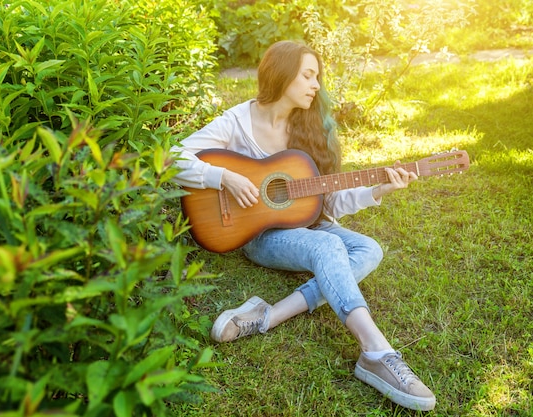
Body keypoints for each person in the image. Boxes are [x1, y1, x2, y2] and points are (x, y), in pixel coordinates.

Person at [170, 40, 436, 412]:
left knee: (369, 249)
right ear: (281, 75)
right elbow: (171, 155)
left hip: (305, 226)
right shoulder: (237, 122)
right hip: (256, 234)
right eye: (308, 76)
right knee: (328, 249)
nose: (316, 86)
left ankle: (268, 315)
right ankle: (377, 353)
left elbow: (326, 203)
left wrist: (378, 189)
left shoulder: (314, 129)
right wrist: (223, 177)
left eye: (317, 77)